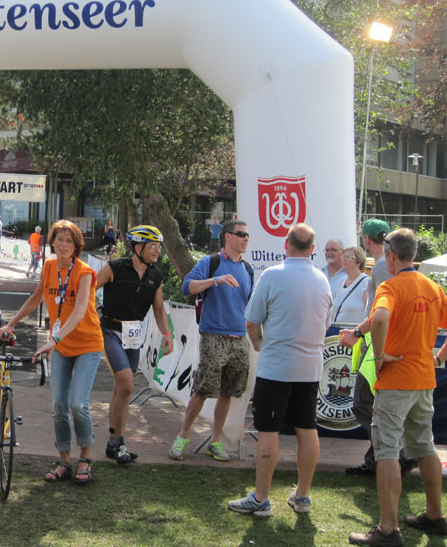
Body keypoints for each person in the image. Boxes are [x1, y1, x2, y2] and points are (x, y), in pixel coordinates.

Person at [348, 228, 447, 546]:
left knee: (387, 452)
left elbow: (379, 319)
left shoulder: (390, 286)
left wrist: (379, 357)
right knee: (425, 447)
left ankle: (388, 529)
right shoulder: (432, 287)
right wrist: (439, 358)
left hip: (395, 382)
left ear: (390, 255)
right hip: (424, 380)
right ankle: (434, 515)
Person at [228, 223, 332, 517]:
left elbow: (251, 321)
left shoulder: (272, 275)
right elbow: (326, 322)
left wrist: (259, 344)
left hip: (277, 367)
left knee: (268, 430)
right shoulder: (322, 280)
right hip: (309, 368)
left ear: (286, 244)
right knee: (307, 428)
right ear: (313, 249)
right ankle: (302, 496)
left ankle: (261, 498)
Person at [0, 220, 103, 484]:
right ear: (52, 242)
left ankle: (86, 457)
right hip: (60, 347)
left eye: (69, 241)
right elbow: (36, 298)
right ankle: (64, 460)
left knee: (78, 405)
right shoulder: (48, 267)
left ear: (77, 246)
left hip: (87, 344)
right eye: (59, 239)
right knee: (58, 406)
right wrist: (11, 323)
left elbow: (80, 311)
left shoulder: (85, 272)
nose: (64, 245)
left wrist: (53, 339)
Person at [169, 219, 253, 463]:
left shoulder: (247, 269)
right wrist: (216, 280)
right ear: (228, 236)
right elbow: (187, 287)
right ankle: (183, 436)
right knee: (203, 389)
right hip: (213, 335)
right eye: (241, 234)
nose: (246, 239)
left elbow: (249, 303)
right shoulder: (211, 262)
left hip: (239, 338)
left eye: (247, 235)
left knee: (228, 392)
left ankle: (214, 441)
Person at [340, 219, 416, 477]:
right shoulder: (385, 264)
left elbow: (384, 313)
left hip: (378, 344)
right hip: (380, 342)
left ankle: (398, 454)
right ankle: (378, 459)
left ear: (366, 239)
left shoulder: (383, 266)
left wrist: (358, 332)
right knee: (371, 404)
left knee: (364, 403)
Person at [98, 225, 173, 465]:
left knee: (122, 389)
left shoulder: (155, 276)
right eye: (153, 246)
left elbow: (159, 309)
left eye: (159, 246)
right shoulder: (115, 268)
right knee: (127, 383)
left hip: (133, 335)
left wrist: (167, 334)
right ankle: (119, 441)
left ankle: (114, 442)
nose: (158, 251)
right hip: (110, 331)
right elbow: (88, 290)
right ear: (138, 247)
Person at [332, 246, 368, 325]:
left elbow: (370, 312)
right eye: (343, 257)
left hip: (353, 330)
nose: (344, 259)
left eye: (348, 257)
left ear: (359, 262)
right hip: (336, 330)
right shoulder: (340, 281)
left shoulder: (366, 283)